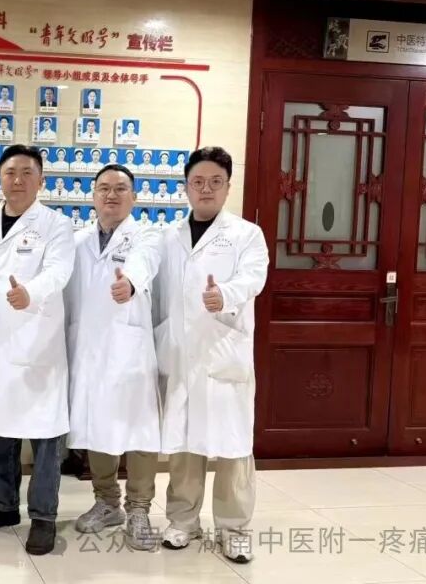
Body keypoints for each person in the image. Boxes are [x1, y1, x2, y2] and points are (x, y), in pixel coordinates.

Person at [153, 146, 268, 564]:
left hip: (223, 349)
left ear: (228, 187)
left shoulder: (246, 234)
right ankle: (183, 521)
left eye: (215, 182)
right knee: (184, 444)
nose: (206, 189)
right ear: (185, 187)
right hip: (182, 354)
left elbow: (254, 277)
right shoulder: (168, 237)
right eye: (198, 182)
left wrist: (226, 295)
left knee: (233, 445)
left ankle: (234, 528)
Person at [0, 145, 74, 556]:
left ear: (41, 180)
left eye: (27, 172)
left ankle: (43, 516)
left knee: (45, 436)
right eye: (10, 172)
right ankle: (2, 505)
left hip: (37, 342)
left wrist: (31, 292)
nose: (18, 179)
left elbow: (59, 271)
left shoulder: (57, 224)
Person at [65, 164, 162, 550]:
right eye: (104, 188)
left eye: (120, 188)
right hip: (89, 350)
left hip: (129, 350)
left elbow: (144, 263)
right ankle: (107, 502)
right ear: (93, 196)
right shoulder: (78, 241)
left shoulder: (147, 236)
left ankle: (139, 509)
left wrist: (131, 283)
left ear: (134, 197)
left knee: (139, 430)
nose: (111, 194)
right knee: (97, 425)